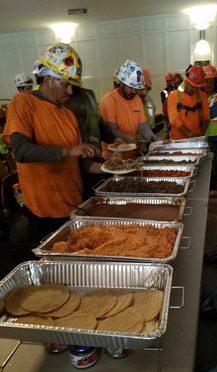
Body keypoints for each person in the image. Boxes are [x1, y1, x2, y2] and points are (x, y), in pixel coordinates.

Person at [3, 43, 98, 239]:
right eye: (66, 84)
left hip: (74, 204)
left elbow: (81, 162)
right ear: (47, 79)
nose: (70, 92)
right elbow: (21, 151)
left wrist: (108, 167)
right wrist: (68, 151)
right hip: (44, 211)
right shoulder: (23, 102)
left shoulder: (69, 114)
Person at [100, 60, 157, 160]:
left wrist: (154, 139)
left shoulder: (137, 100)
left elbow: (143, 126)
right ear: (121, 83)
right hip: (113, 158)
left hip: (131, 156)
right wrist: (128, 139)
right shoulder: (109, 100)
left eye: (136, 88)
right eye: (131, 87)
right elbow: (110, 130)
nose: (134, 91)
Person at [167, 65, 210, 140]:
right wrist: (189, 134)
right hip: (178, 139)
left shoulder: (202, 95)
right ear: (186, 81)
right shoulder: (174, 95)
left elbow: (206, 117)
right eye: (193, 86)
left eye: (197, 87)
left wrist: (201, 134)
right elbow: (173, 119)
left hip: (197, 137)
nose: (195, 90)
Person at [202, 65, 217, 196]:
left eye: (210, 81)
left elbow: (213, 112)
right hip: (202, 132)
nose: (208, 84)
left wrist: (197, 113)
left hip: (215, 132)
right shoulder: (199, 95)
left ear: (215, 82)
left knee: (215, 159)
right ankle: (207, 183)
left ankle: (214, 184)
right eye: (205, 81)